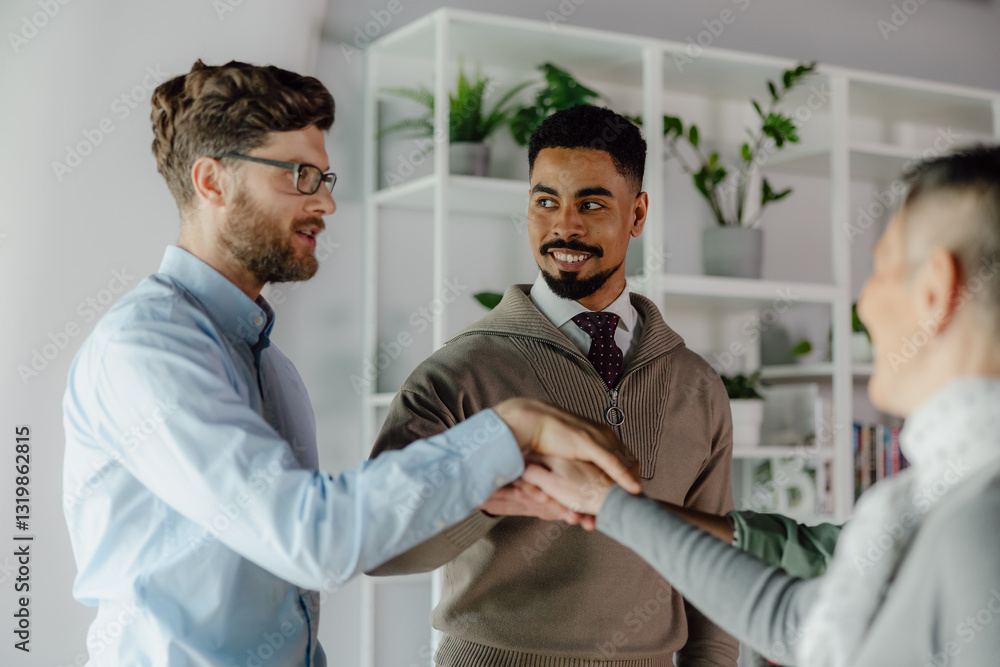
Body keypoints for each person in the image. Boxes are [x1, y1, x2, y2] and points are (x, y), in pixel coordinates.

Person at [61, 60, 642, 667]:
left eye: (325, 177)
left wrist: (491, 489)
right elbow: (313, 536)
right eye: (300, 176)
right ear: (212, 182)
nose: (328, 203)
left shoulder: (268, 365)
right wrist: (512, 427)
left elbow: (314, 543)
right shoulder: (146, 349)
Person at [524, 145, 1000, 667]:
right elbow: (794, 619)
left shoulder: (978, 524)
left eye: (881, 267)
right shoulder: (940, 501)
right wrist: (609, 503)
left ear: (935, 291)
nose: (864, 302)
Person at [368, 105, 739, 666]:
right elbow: (382, 547)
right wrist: (491, 489)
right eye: (546, 201)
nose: (565, 226)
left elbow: (712, 566)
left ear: (637, 215)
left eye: (591, 203)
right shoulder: (456, 375)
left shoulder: (698, 385)